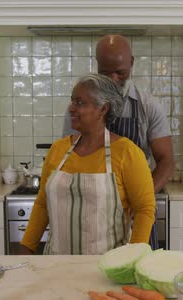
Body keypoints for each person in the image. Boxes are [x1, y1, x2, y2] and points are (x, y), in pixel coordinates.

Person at [20, 74, 156, 255]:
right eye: (72, 101)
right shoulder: (58, 150)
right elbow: (43, 204)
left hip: (106, 269)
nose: (71, 108)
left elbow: (144, 210)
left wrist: (132, 258)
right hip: (55, 265)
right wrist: (26, 247)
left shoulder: (127, 153)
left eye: (80, 103)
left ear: (103, 109)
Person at [62, 35, 174, 193]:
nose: (113, 79)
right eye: (106, 72)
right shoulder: (77, 110)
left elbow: (166, 161)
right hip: (90, 196)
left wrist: (143, 196)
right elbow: (67, 157)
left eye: (120, 72)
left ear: (132, 62)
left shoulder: (149, 106)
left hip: (136, 192)